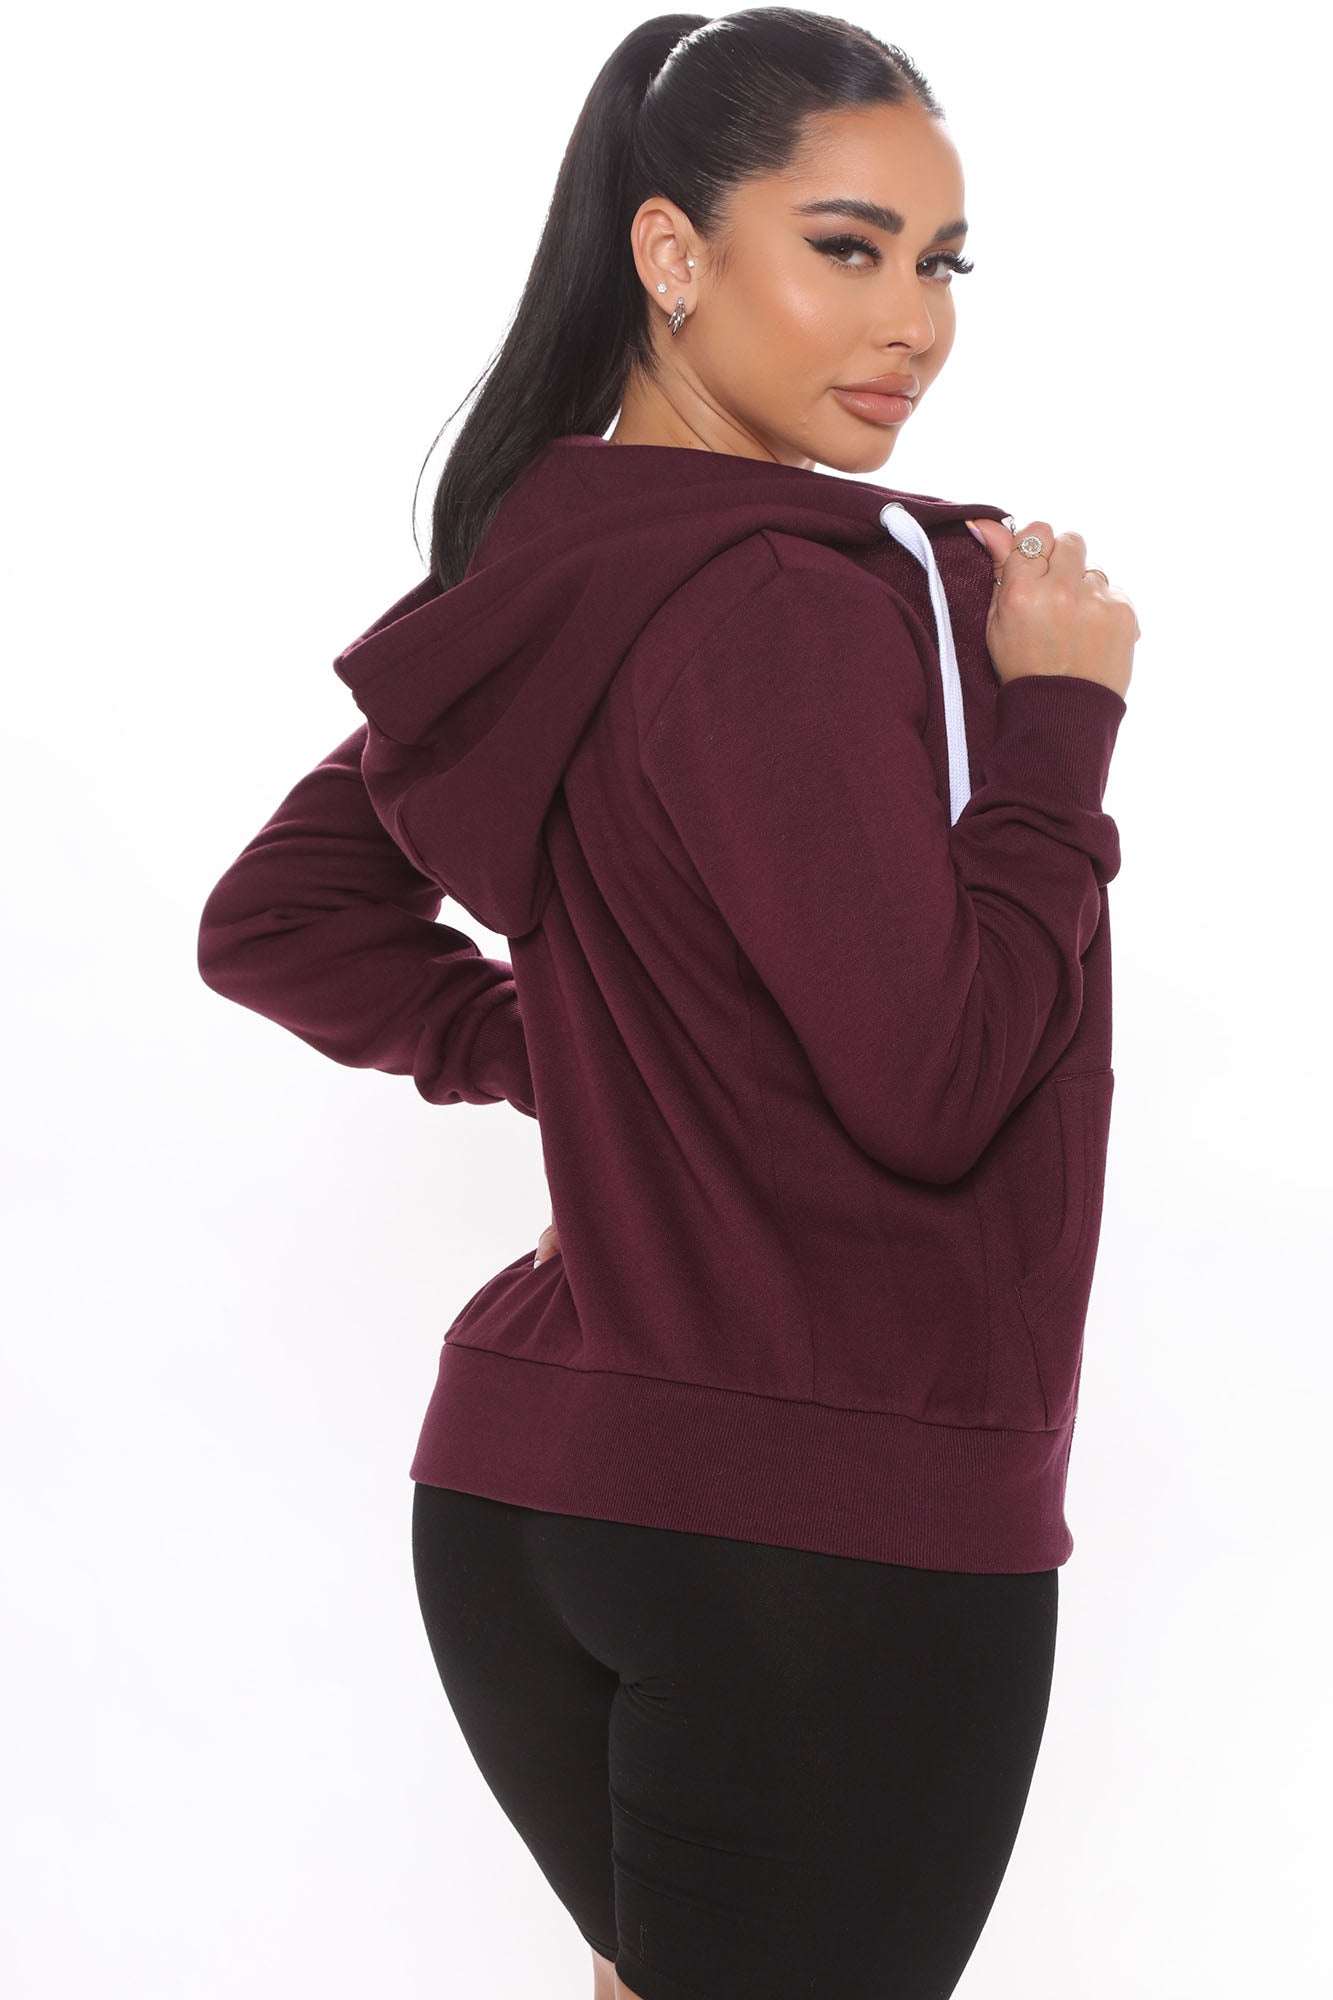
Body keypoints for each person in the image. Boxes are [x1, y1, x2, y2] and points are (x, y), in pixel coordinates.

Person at [196, 10, 1139, 1998]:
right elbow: (938, 1082)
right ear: (671, 253)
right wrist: (1060, 727)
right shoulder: (783, 600)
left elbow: (282, 917)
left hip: (530, 1492)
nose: (911, 323)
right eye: (846, 247)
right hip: (813, 1528)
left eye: (941, 263)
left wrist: (609, 1070)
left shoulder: (549, 571)